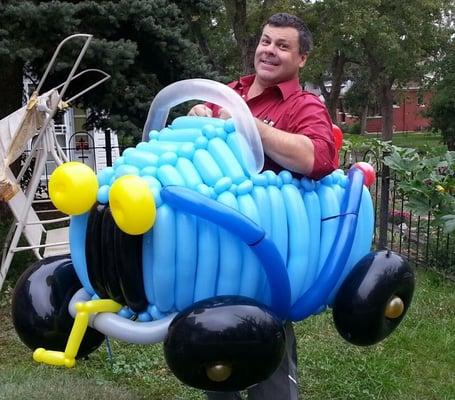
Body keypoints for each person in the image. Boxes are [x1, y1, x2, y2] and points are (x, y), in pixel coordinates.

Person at [189, 12, 336, 400]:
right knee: (215, 360)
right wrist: (196, 115)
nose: (270, 51)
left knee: (268, 358)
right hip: (215, 253)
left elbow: (317, 157)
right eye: (266, 41)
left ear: (301, 58)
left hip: (266, 259)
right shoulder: (228, 92)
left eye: (283, 46)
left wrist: (247, 125)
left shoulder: (304, 106)